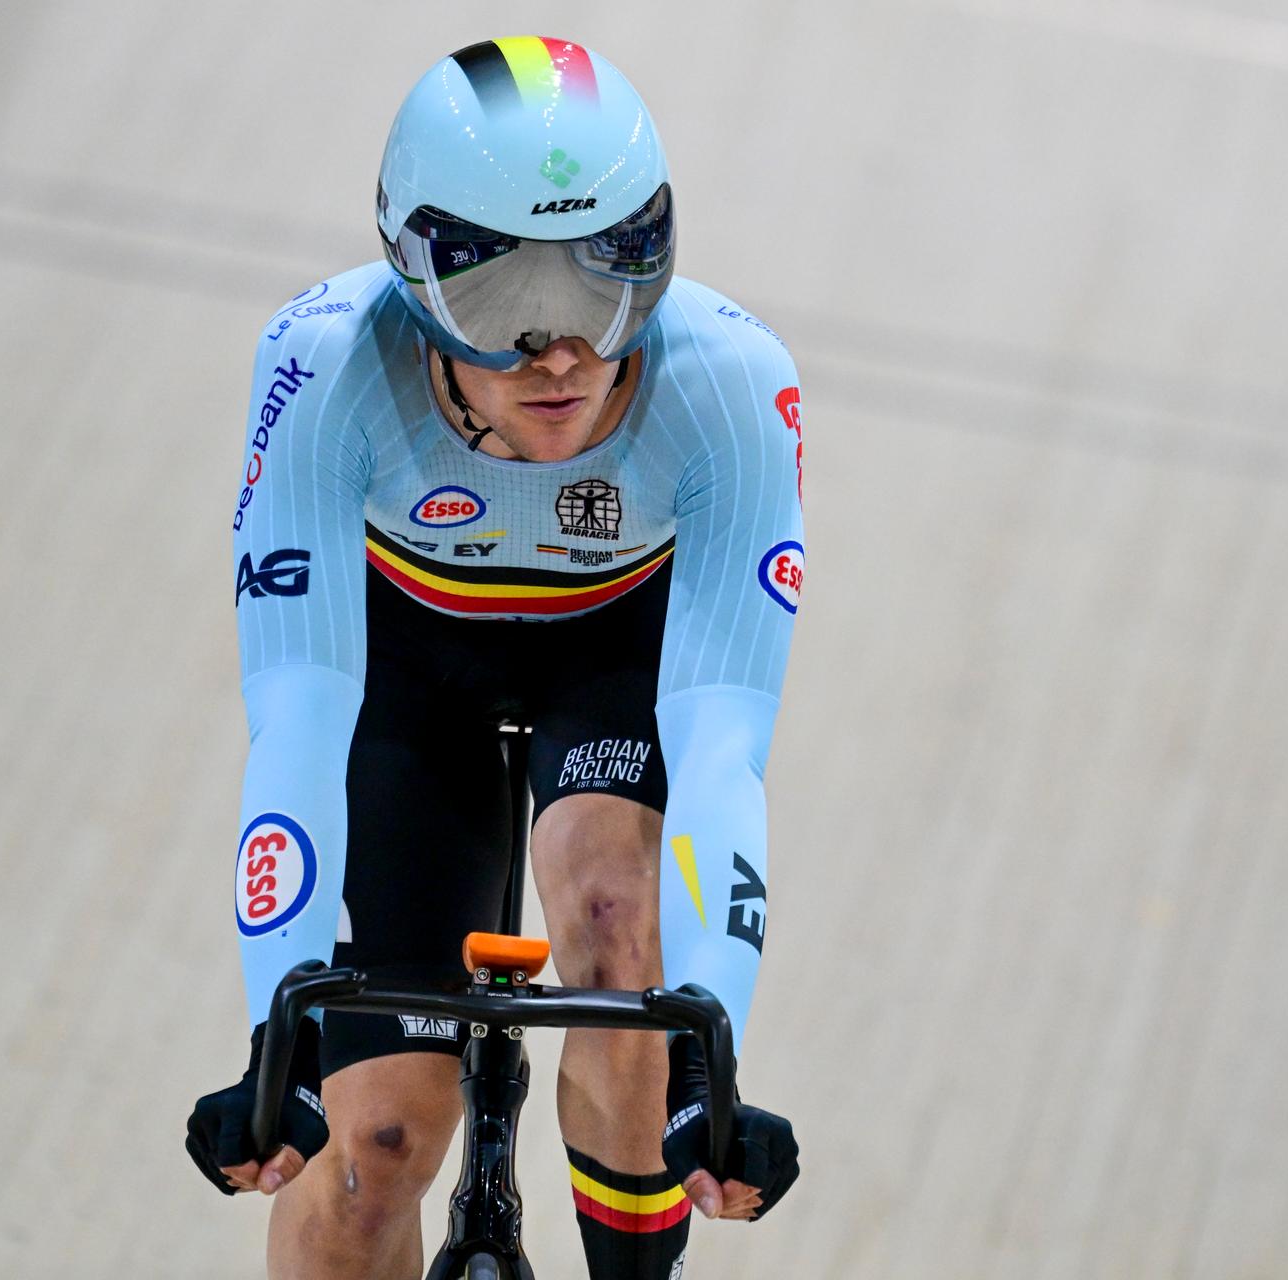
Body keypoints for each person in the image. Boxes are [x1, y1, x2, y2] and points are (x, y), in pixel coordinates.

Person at [183, 36, 805, 1279]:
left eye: (604, 285)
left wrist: (711, 1056)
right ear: (414, 279)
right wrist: (278, 1035)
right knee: (370, 1150)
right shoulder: (321, 368)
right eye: (507, 307)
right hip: (408, 685)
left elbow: (722, 745)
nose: (564, 353)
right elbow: (303, 721)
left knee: (618, 928)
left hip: (613, 665)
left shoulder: (733, 384)